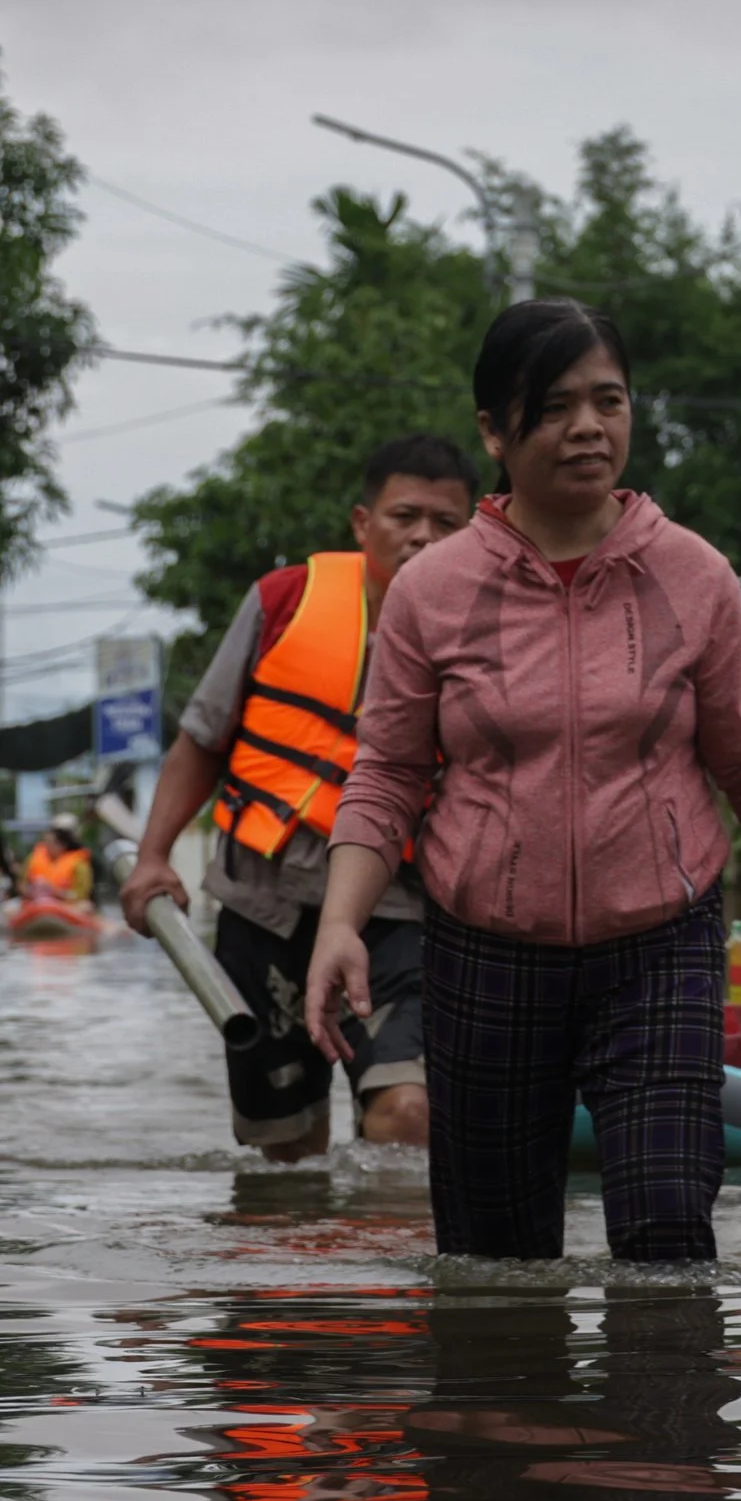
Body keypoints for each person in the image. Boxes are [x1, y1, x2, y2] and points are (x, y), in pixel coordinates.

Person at [305, 298, 741, 1263]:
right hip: (483, 952)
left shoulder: (694, 576)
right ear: (493, 428)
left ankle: (664, 1414)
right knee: (494, 1262)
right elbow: (387, 775)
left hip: (659, 947)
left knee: (665, 1234)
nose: (587, 428)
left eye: (608, 401)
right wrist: (338, 926)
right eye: (555, 405)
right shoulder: (431, 592)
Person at [119, 435, 477, 1161]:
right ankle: (303, 1274)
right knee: (285, 1153)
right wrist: (153, 857)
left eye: (447, 524)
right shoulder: (283, 601)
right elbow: (201, 741)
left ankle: (393, 1274)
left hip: (400, 908)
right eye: (405, 515)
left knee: (410, 1112)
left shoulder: (491, 633)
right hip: (264, 904)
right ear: (360, 522)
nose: (423, 537)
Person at [25, 816, 92, 906]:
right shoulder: (34, 858)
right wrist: (33, 891)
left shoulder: (79, 863)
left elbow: (80, 895)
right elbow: (22, 884)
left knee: (85, 906)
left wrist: (53, 891)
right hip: (36, 904)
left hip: (67, 906)